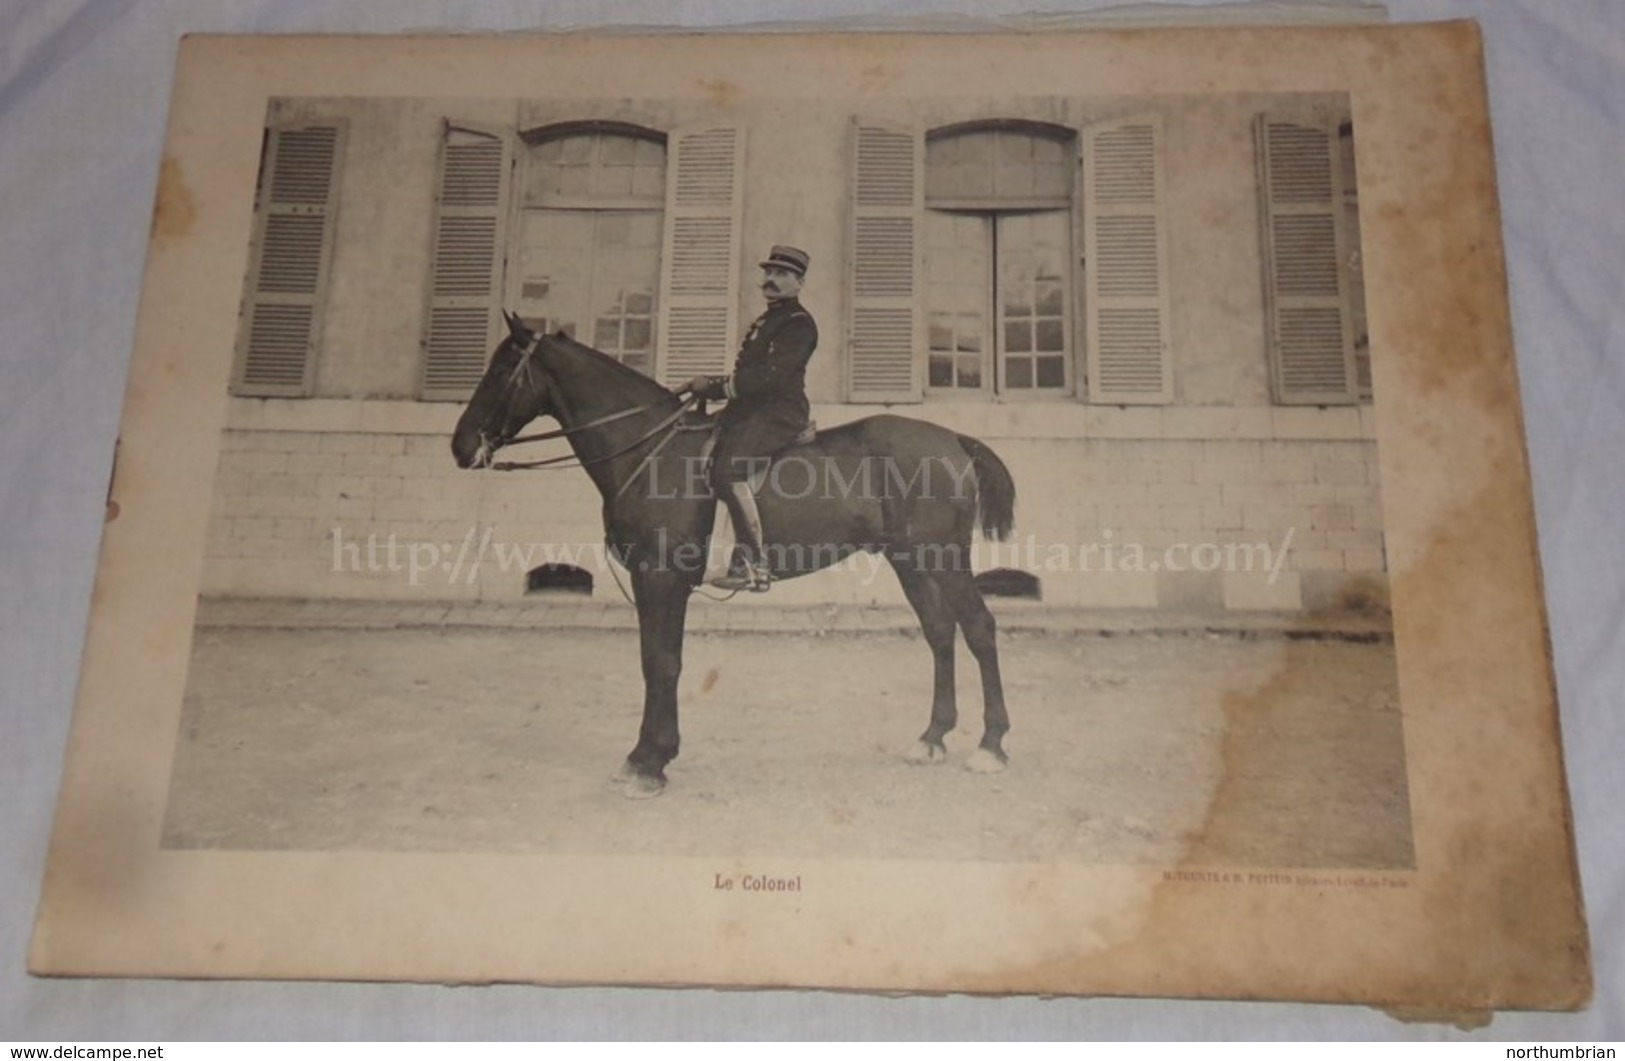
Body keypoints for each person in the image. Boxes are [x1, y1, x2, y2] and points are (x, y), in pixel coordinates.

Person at [684, 245, 818, 592]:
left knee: (728, 469)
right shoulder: (768, 319)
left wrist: (715, 387)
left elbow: (770, 377)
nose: (771, 279)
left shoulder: (799, 324)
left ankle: (753, 564)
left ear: (800, 282)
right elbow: (749, 373)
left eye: (782, 274)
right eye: (769, 272)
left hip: (780, 412)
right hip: (751, 409)